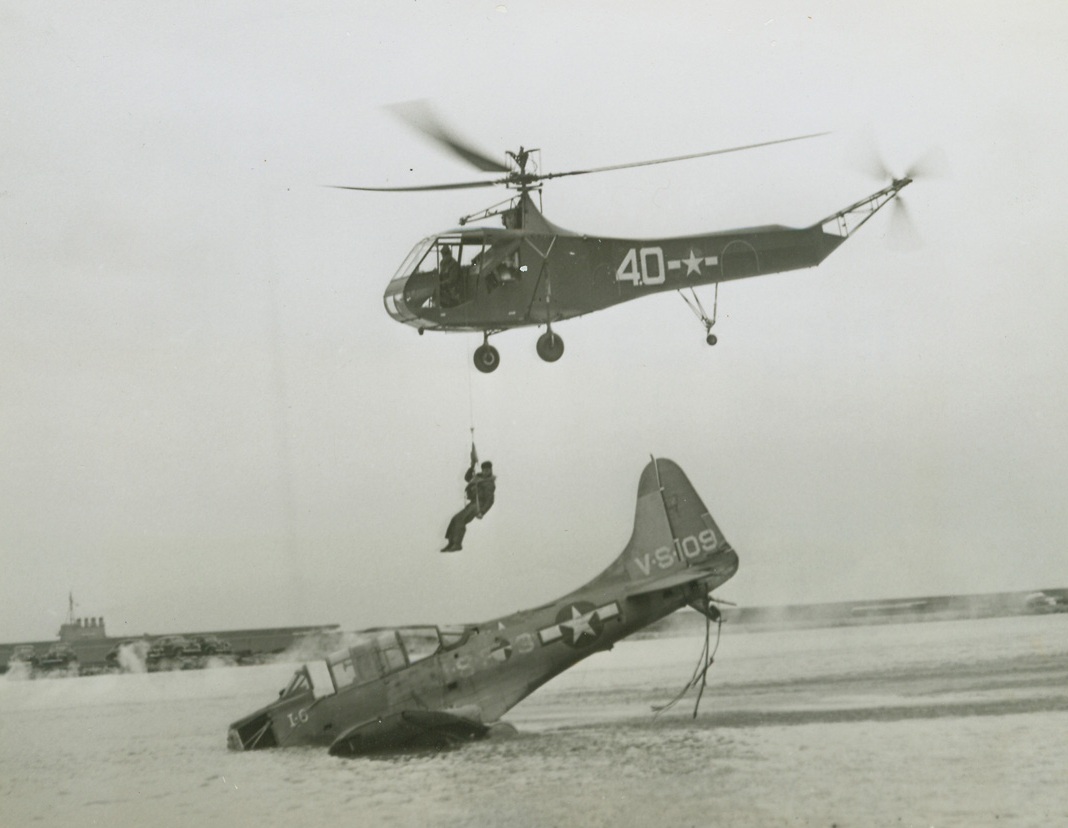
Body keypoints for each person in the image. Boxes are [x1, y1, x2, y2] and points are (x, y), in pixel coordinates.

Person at [441, 458, 495, 552]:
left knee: (459, 520)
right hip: (472, 504)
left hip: (478, 505)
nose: (486, 471)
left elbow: (490, 500)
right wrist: (471, 467)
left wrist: (482, 511)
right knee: (455, 519)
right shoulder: (478, 477)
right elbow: (467, 478)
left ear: (491, 470)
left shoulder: (489, 483)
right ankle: (451, 543)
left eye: (488, 469)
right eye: (484, 469)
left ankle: (457, 544)